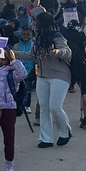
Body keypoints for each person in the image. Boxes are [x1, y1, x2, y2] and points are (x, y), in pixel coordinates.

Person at [33, 11, 73, 148]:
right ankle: (46, 139)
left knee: (55, 106)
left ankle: (65, 131)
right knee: (44, 108)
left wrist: (57, 52)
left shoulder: (57, 36)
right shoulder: (38, 39)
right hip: (42, 76)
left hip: (60, 75)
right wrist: (12, 54)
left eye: (37, 22)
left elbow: (67, 52)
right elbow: (31, 55)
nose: (35, 25)